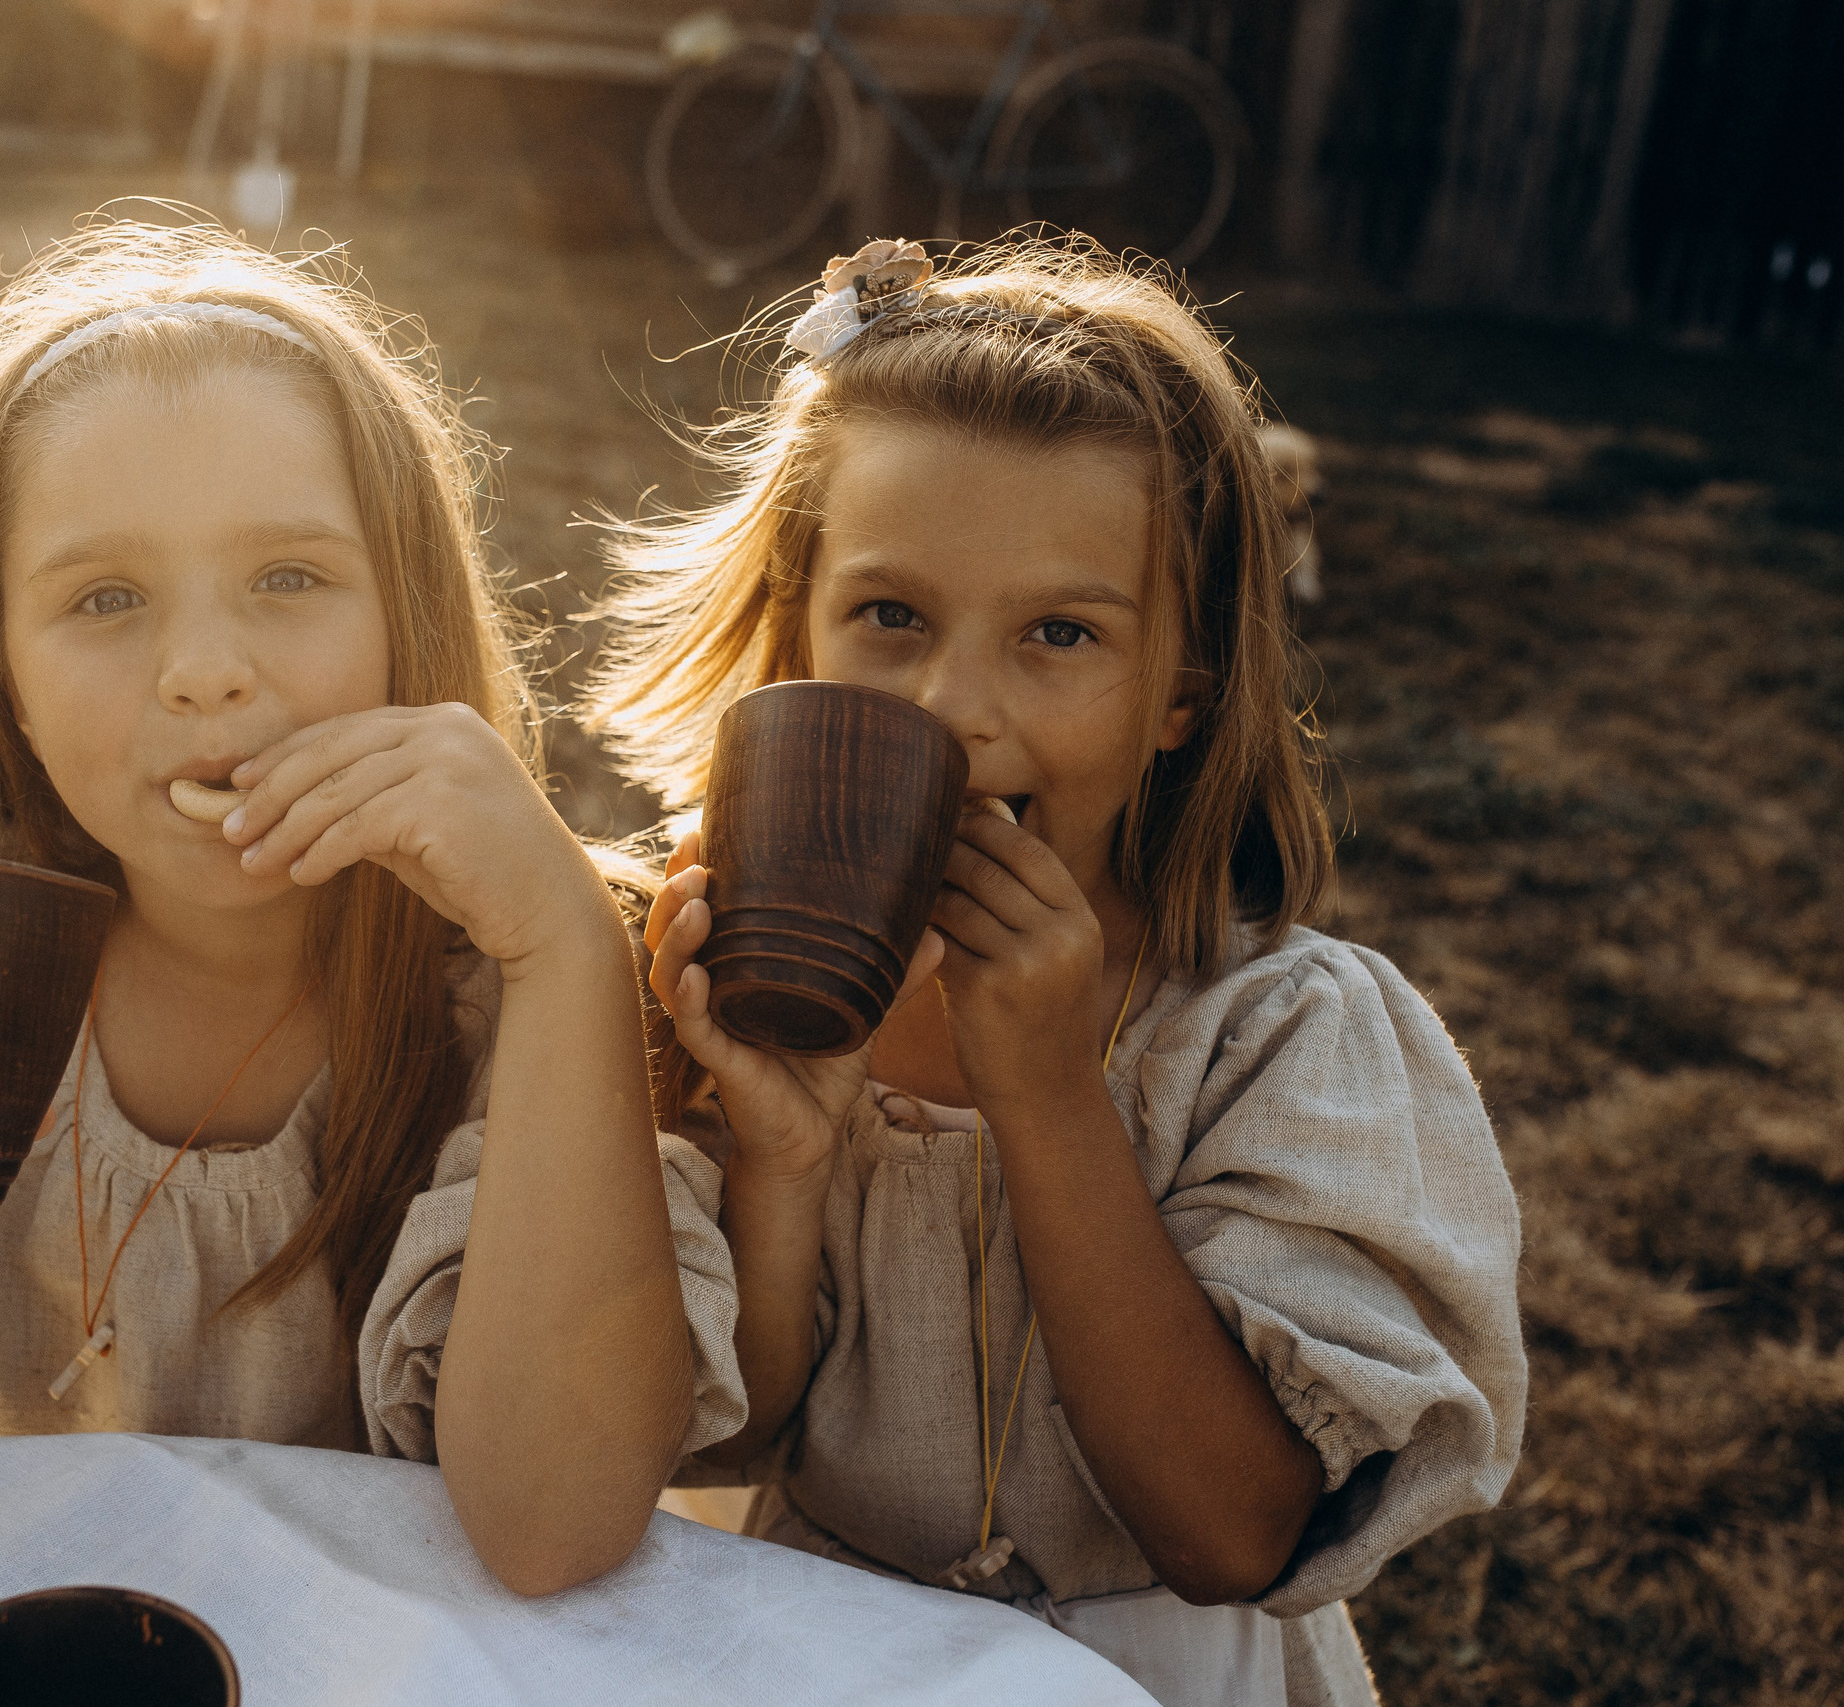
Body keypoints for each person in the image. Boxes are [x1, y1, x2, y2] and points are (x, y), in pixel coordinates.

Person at [0, 221, 744, 1596]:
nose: (204, 672)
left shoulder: (524, 983)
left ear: (408, 618)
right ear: (3, 672)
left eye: (289, 578)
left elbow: (556, 1528)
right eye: (105, 598)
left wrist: (564, 947)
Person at [585, 238, 1525, 1703]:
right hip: (815, 1653)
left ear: (1175, 701)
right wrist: (777, 1160)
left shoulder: (1277, 1039)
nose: (958, 709)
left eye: (1060, 635)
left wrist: (1049, 1098)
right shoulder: (727, 988)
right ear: (795, 629)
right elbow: (724, 1441)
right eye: (891, 616)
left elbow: (1231, 1531)